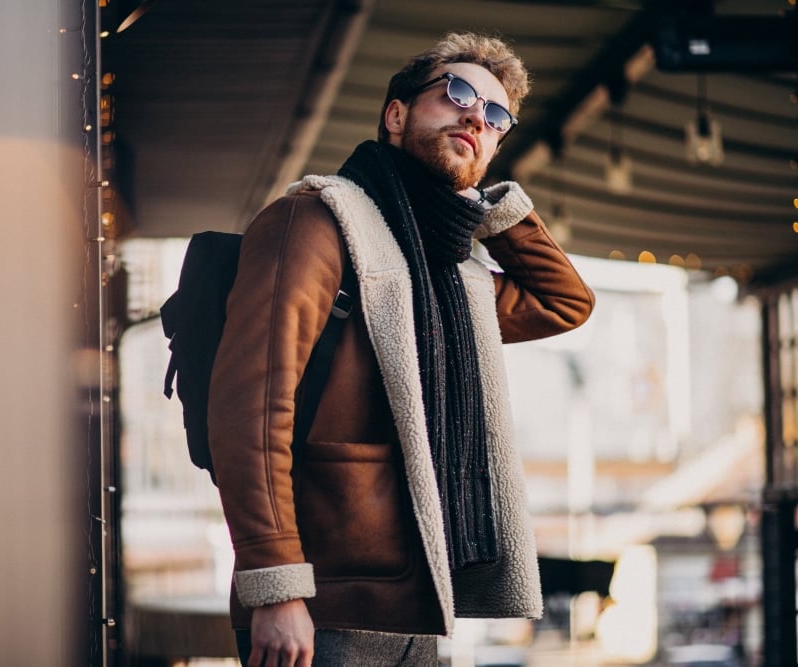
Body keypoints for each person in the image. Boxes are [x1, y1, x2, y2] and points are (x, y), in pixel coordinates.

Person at [208, 31, 595, 666]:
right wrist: (274, 586)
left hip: (421, 604)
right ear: (396, 115)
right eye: (459, 94)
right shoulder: (314, 222)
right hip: (322, 606)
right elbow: (250, 408)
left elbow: (563, 301)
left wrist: (491, 205)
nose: (477, 114)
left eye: (497, 117)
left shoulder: (452, 275)